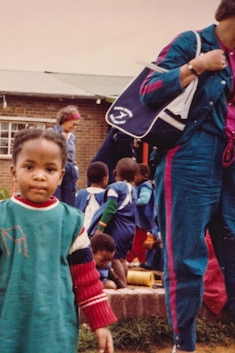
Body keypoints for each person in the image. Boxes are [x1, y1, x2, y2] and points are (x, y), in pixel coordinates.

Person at [0, 128, 116, 353]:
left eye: (49, 169)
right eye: (29, 167)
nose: (39, 175)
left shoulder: (72, 222)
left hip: (57, 328)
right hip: (10, 327)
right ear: (14, 171)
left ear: (61, 175)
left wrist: (100, 324)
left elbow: (87, 279)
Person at [140, 2, 235, 351]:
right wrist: (197, 66)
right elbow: (148, 90)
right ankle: (185, 345)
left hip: (230, 161)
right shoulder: (192, 42)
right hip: (190, 156)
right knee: (186, 258)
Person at [93, 157, 138, 287]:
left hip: (118, 227)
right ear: (135, 177)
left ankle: (123, 286)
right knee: (123, 259)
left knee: (115, 258)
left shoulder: (115, 188)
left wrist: (100, 227)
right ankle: (126, 284)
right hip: (130, 227)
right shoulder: (133, 189)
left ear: (114, 173)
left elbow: (111, 208)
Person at [47, 105, 81, 206]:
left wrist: (75, 170)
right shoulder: (51, 132)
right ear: (66, 119)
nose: (74, 128)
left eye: (76, 125)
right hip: (56, 170)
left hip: (70, 173)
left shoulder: (72, 137)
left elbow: (72, 157)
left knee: (69, 204)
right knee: (55, 201)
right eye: (73, 124)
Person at [126, 163, 157, 265]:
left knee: (139, 240)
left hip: (144, 219)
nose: (134, 177)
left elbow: (144, 200)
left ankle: (140, 260)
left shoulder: (145, 186)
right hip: (138, 219)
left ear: (144, 175)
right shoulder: (137, 186)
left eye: (136, 175)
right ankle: (136, 258)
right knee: (136, 239)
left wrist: (132, 202)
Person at [75, 161, 109, 231]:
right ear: (104, 178)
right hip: (97, 232)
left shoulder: (79, 194)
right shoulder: (107, 195)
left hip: (80, 232)